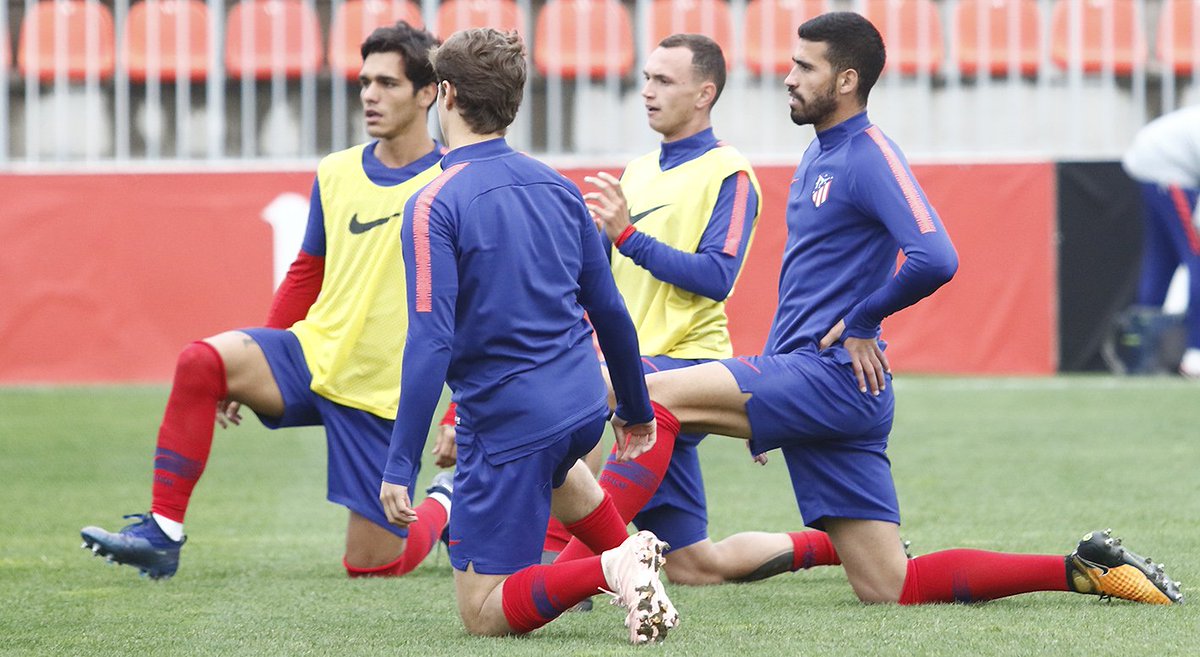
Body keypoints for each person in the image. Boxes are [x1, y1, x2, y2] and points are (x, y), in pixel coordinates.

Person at [609, 12, 1184, 607]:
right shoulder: (820, 154)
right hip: (818, 382)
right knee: (890, 586)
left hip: (828, 377)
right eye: (791, 63)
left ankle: (576, 573)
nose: (789, 77)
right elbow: (806, 289)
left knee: (640, 391)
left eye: (805, 67)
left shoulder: (867, 154)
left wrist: (863, 320)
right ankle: (1081, 568)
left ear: (847, 80)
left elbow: (935, 256)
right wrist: (771, 402)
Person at [80, 22, 455, 580]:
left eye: (387, 83)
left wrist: (456, 411)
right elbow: (306, 273)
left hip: (384, 392)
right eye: (363, 81)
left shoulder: (454, 179)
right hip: (312, 355)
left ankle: (446, 499)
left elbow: (479, 305)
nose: (369, 95)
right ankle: (163, 531)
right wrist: (261, 354)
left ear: (428, 93)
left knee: (372, 565)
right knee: (202, 361)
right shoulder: (336, 170)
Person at [377, 28, 679, 643]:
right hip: (582, 407)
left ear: (445, 95)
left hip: (510, 421)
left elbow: (431, 342)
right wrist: (635, 408)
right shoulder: (559, 188)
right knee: (562, 473)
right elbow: (612, 312)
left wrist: (399, 465)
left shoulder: (432, 203)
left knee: (483, 613)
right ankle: (636, 565)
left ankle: (614, 566)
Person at [545, 33, 846, 585]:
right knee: (693, 564)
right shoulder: (636, 172)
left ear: (704, 93)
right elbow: (600, 282)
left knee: (576, 406)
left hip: (682, 365)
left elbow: (716, 277)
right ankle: (842, 545)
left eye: (664, 80)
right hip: (636, 369)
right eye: (645, 79)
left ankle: (554, 573)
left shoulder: (728, 171)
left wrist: (627, 235)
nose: (647, 91)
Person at [1117, 105, 1200, 378]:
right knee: (1198, 258)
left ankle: (1142, 350)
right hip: (1167, 166)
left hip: (1154, 159)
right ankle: (1195, 352)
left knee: (1161, 261)